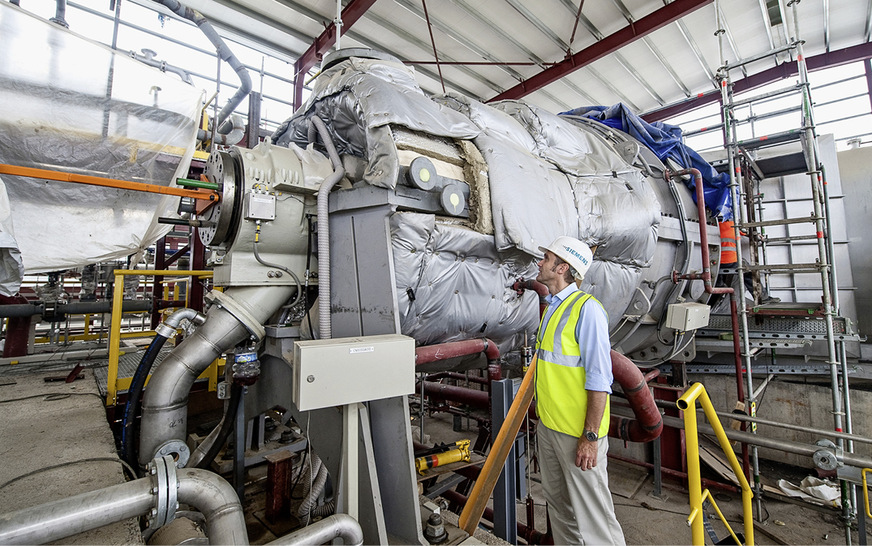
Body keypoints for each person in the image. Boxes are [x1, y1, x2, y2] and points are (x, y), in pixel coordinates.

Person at [534, 236, 626, 545]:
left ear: (561, 267)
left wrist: (589, 438)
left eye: (546, 258)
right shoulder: (552, 308)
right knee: (561, 511)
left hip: (578, 434)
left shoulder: (587, 310)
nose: (540, 262)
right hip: (550, 428)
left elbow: (600, 379)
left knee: (595, 520)